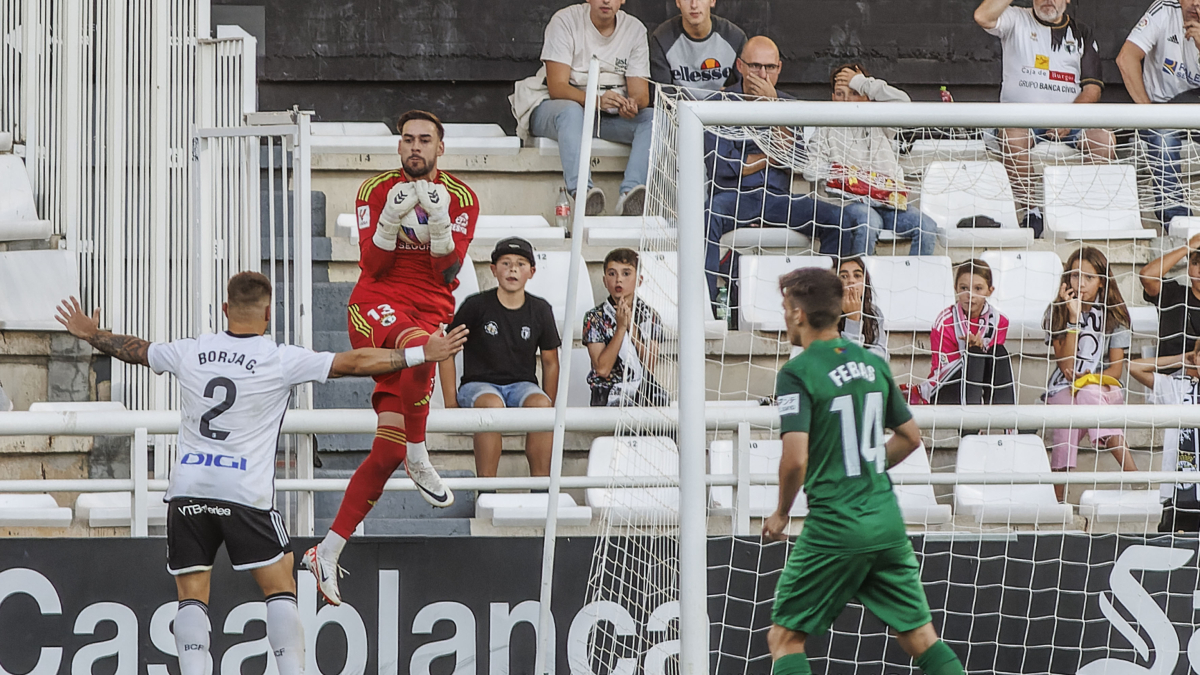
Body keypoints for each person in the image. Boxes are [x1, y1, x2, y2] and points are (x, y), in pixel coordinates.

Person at [52, 274, 468, 675]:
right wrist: (420, 354)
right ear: (269, 313)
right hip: (243, 493)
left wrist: (92, 334)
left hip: (188, 489)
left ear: (225, 308)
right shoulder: (279, 359)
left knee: (191, 596)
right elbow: (353, 362)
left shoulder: (191, 351)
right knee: (280, 586)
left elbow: (137, 350)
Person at [307, 109, 477, 606]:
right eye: (407, 140)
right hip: (376, 306)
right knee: (422, 349)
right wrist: (388, 219)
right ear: (399, 146)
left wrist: (438, 222)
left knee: (385, 452)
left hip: (429, 309)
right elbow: (374, 264)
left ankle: (327, 551)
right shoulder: (374, 189)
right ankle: (419, 456)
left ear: (440, 148)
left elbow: (448, 274)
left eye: (425, 140)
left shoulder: (463, 197)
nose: (415, 147)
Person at [763, 267, 966, 675]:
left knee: (785, 638)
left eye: (786, 308)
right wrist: (867, 463)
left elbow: (796, 459)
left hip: (836, 524)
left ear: (799, 313)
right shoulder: (872, 363)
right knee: (920, 637)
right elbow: (910, 437)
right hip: (886, 521)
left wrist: (782, 512)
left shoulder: (797, 372)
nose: (784, 316)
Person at [705, 37, 876, 318]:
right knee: (707, 214)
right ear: (740, 66)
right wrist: (770, 157)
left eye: (770, 67)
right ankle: (707, 307)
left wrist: (774, 108)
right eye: (755, 66)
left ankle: (824, 308)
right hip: (734, 198)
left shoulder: (788, 105)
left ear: (779, 68)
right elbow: (725, 165)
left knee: (840, 220)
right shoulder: (718, 103)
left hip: (778, 200)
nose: (763, 75)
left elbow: (793, 158)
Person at [975, 0, 1114, 237]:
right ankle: (1032, 211)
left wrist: (1068, 119)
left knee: (1105, 141)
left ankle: (1074, 208)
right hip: (1022, 120)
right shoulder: (1015, 18)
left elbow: (1093, 89)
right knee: (1012, 137)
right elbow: (982, 16)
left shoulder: (1081, 31)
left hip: (1071, 120)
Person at [517, 0, 653, 217]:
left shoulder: (635, 29)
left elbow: (641, 93)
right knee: (571, 112)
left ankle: (629, 195)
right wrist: (596, 101)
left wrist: (631, 105)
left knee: (652, 119)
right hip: (554, 108)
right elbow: (557, 87)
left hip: (606, 116)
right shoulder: (565, 21)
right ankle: (583, 193)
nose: (606, 1)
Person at [441, 237, 561, 478]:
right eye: (505, 263)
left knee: (541, 406)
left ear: (532, 272)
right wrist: (450, 403)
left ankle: (540, 487)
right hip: (478, 386)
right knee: (492, 405)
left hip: (522, 386)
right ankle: (487, 488)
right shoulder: (475, 305)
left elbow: (551, 361)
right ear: (493, 269)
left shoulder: (540, 309)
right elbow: (446, 350)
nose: (512, 269)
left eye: (520, 264)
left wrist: (550, 402)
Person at [809, 64, 939, 256]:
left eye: (854, 92)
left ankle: (915, 274)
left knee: (927, 227)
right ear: (832, 97)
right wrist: (843, 177)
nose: (846, 101)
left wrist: (861, 82)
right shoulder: (825, 127)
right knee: (869, 221)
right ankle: (859, 274)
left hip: (887, 204)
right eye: (840, 94)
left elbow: (904, 103)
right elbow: (811, 170)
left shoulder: (881, 121)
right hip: (847, 204)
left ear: (867, 96)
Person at [1043, 247, 1137, 502]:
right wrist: (1073, 318)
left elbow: (1116, 370)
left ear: (1102, 282)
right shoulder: (1057, 311)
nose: (1080, 283)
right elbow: (1066, 365)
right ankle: (1058, 500)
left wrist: (1089, 380)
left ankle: (1135, 477)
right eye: (1075, 276)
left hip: (1104, 386)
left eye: (1088, 277)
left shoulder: (1115, 316)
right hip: (1064, 386)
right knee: (1066, 415)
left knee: (1088, 393)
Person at [1116, 0, 1200, 231]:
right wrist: (1149, 112)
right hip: (1162, 110)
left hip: (1196, 111)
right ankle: (1177, 221)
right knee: (1164, 137)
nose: (1195, 3)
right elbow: (1126, 58)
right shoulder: (1164, 9)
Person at [921, 259, 1016, 406]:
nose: (970, 294)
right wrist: (969, 352)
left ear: (990, 291)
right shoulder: (944, 322)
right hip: (944, 388)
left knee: (999, 352)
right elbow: (942, 370)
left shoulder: (999, 321)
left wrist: (980, 348)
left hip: (981, 385)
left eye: (978, 288)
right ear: (956, 289)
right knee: (974, 354)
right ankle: (971, 420)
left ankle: (1006, 416)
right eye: (964, 288)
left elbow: (991, 366)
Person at [583, 248, 667, 406]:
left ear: (639, 280)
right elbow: (602, 369)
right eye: (612, 274)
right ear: (605, 281)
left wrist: (631, 326)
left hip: (643, 392)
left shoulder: (650, 316)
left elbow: (649, 365)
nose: (618, 280)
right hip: (607, 394)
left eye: (626, 273)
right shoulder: (594, 318)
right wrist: (621, 329)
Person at [1131, 341, 1200, 532]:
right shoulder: (1178, 388)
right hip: (1180, 492)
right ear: (1195, 359)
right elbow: (1134, 367)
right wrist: (1180, 359)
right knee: (1174, 542)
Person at [649, 0, 746, 93]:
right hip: (677, 104)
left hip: (724, 103)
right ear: (678, 2)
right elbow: (663, 92)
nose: (694, 5)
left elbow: (745, 88)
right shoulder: (662, 38)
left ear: (712, 1)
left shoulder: (735, 38)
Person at [1139, 232, 1200, 358]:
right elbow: (1147, 276)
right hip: (1170, 369)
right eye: (1195, 263)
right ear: (1188, 267)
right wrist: (1187, 248)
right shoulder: (1173, 294)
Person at [837, 257, 888, 360]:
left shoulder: (874, 312)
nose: (851, 281)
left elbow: (882, 355)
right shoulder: (826, 313)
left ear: (865, 282)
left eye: (857, 275)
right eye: (844, 276)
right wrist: (852, 320)